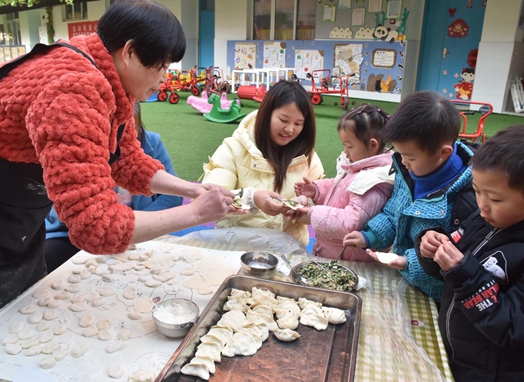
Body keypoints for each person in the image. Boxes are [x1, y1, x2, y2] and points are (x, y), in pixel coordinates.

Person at [0, 0, 235, 338]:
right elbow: (95, 226)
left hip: (8, 207)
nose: (163, 79)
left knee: (24, 306)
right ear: (129, 52)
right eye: (161, 66)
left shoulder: (101, 68)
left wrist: (190, 190)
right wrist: (194, 214)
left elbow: (124, 158)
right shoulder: (73, 88)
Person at [343, 91, 478, 301]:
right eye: (400, 154)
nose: (403, 163)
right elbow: (393, 212)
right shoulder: (410, 172)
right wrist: (370, 236)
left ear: (443, 153)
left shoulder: (469, 195)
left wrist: (409, 262)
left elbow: (455, 254)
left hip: (438, 297)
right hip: (404, 280)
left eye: (410, 157)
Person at [416, 125, 524, 382]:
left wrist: (463, 273)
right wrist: (433, 248)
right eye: (477, 191)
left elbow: (512, 328)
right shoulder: (482, 219)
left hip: (489, 376)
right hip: (454, 355)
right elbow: (451, 264)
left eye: (496, 199)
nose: (482, 205)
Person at [44, 101, 183, 272]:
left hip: (139, 233)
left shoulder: (151, 143)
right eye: (113, 136)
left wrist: (136, 225)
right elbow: (74, 215)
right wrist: (117, 229)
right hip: (81, 235)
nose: (119, 145)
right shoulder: (78, 150)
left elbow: (172, 195)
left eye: (130, 135)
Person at [201, 80, 324, 246]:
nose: (289, 129)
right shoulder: (233, 148)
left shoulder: (308, 159)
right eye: (283, 119)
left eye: (298, 124)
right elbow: (207, 200)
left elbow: (322, 208)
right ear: (267, 114)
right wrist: (252, 199)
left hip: (287, 252)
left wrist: (304, 206)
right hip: (235, 249)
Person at [286, 104, 394, 262]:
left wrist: (312, 213)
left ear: (372, 145)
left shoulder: (374, 181)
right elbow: (341, 187)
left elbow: (351, 222)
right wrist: (317, 190)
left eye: (349, 146)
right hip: (333, 250)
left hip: (349, 259)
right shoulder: (359, 166)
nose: (345, 151)